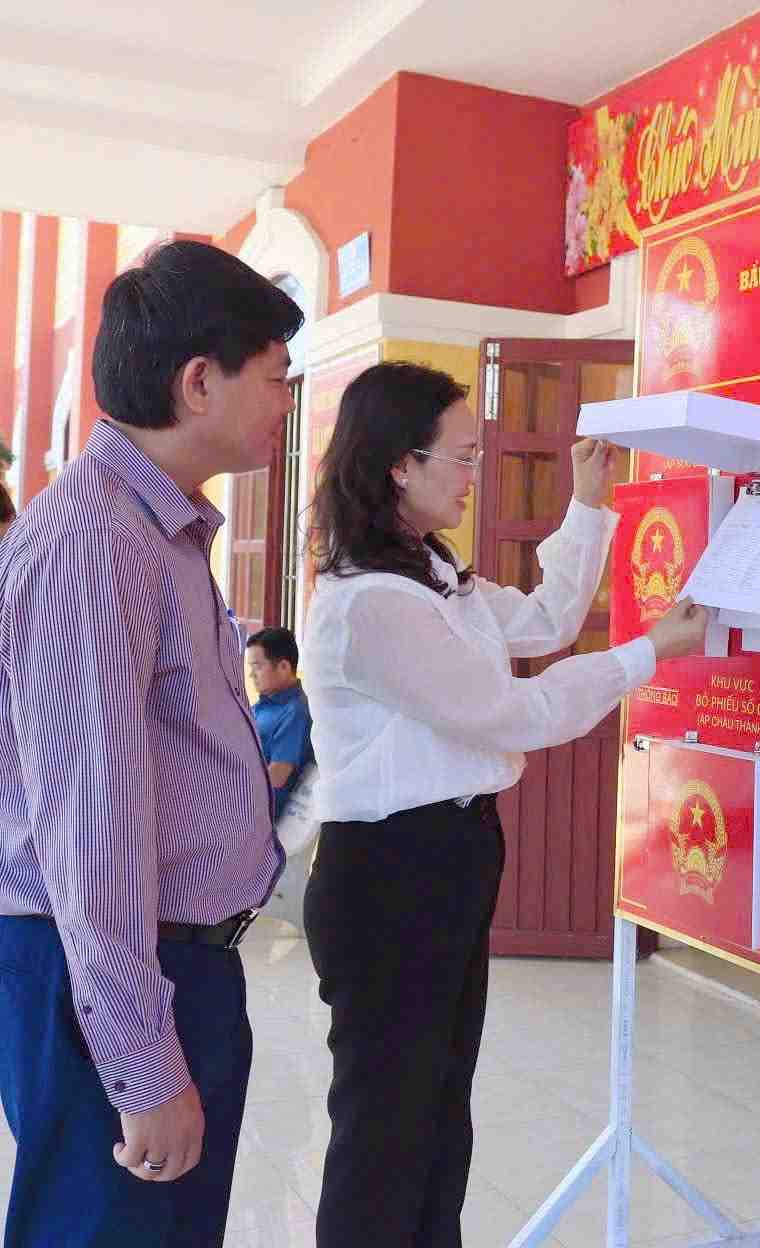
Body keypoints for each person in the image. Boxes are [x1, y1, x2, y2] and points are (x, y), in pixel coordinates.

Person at [300, 361, 707, 1248]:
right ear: (400, 466)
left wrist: (590, 500)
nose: (474, 474)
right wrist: (647, 655)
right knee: (385, 1130)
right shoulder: (369, 605)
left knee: (440, 1110)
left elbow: (547, 619)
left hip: (448, 860)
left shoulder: (433, 577)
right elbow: (508, 713)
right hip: (391, 875)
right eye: (463, 455)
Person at [0, 241, 299, 1246]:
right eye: (276, 378)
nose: (286, 403)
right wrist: (142, 1059)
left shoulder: (154, 528)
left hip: (169, 964)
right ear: (199, 381)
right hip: (109, 970)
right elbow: (91, 833)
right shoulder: (96, 541)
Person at [245, 627, 314, 817]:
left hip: (257, 817)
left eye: (258, 666)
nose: (252, 675)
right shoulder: (263, 706)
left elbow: (277, 776)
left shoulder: (296, 712)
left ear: (284, 667)